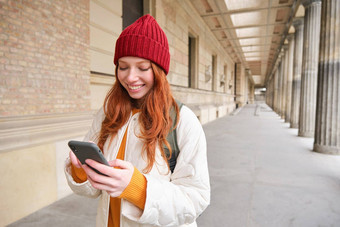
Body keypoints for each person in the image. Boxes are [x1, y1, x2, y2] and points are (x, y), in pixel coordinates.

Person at [64, 14, 210, 227]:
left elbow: (195, 200)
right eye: (123, 67)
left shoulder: (182, 120)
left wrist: (138, 188)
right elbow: (95, 190)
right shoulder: (108, 113)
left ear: (160, 71)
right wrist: (81, 172)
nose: (131, 77)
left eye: (143, 68)